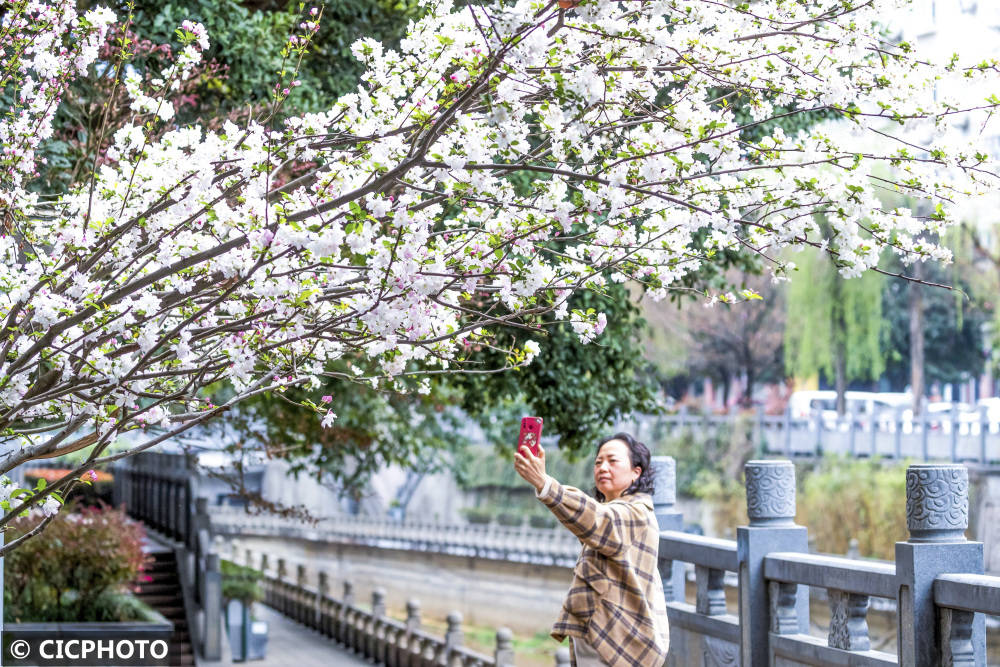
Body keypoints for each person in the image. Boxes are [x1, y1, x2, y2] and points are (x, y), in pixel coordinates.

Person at [514, 432, 669, 667]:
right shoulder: (616, 509)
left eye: (612, 460)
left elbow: (597, 519)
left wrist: (545, 484)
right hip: (602, 639)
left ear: (636, 472)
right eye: (598, 462)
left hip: (616, 646)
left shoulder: (636, 513)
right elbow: (592, 519)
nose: (603, 467)